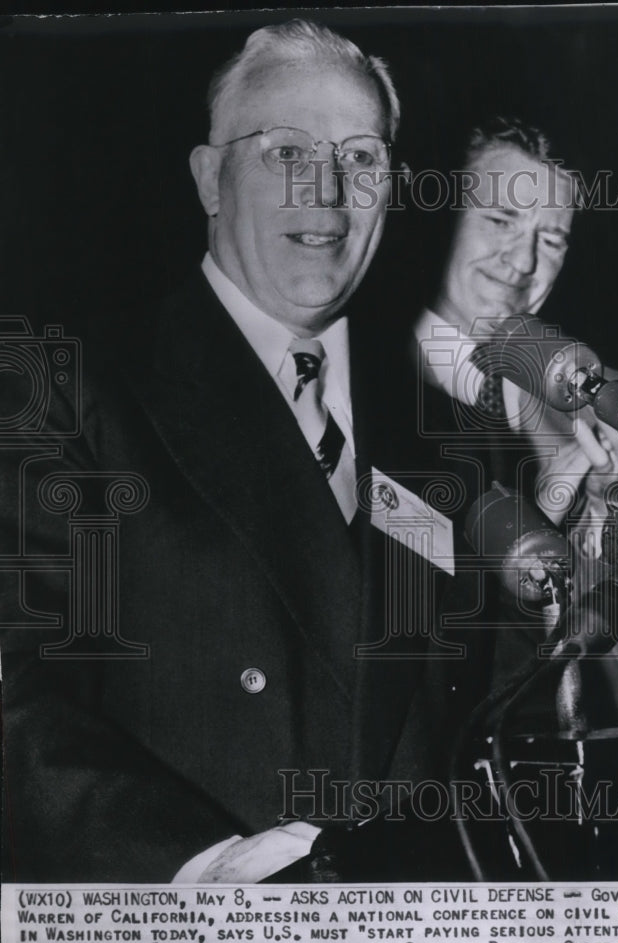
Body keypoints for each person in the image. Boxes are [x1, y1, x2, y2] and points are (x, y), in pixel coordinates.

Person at [1, 20, 489, 884]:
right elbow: (17, 687)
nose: (327, 193)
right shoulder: (70, 392)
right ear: (208, 179)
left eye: (362, 158)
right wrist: (206, 869)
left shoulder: (440, 436)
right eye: (283, 152)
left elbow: (471, 711)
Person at [414, 117, 618, 725]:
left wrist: (601, 538)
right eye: (501, 220)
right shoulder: (365, 392)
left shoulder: (586, 410)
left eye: (552, 238)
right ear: (441, 217)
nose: (523, 260)